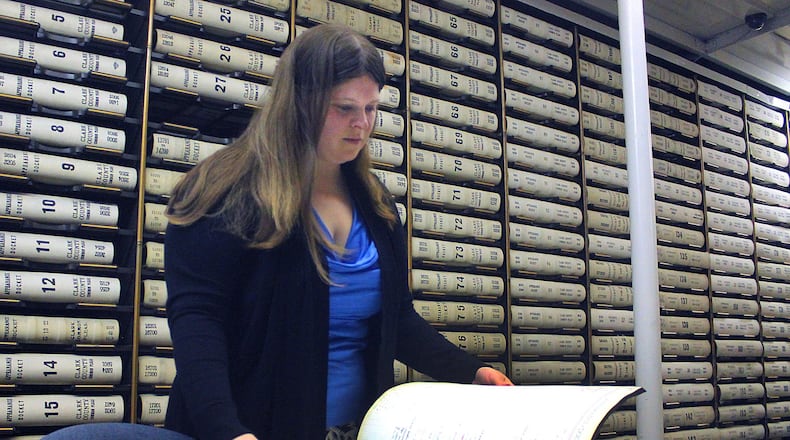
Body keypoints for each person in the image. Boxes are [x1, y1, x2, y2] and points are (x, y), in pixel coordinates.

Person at [43, 23, 511, 440]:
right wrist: (228, 432)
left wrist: (472, 372)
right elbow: (198, 326)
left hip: (356, 427)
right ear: (300, 103)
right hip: (252, 428)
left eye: (371, 108)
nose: (362, 125)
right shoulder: (224, 193)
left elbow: (398, 320)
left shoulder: (377, 205)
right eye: (345, 107)